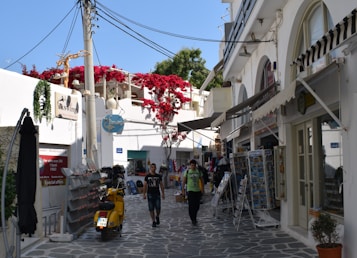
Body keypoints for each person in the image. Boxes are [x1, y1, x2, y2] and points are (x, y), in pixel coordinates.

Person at [182, 159, 204, 225]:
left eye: (194, 165)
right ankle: (193, 218)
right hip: (190, 190)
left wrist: (202, 188)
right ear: (190, 165)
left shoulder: (198, 172)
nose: (193, 167)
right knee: (191, 205)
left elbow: (202, 180)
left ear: (195, 165)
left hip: (197, 190)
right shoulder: (187, 172)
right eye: (192, 165)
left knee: (197, 205)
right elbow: (183, 181)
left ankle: (194, 216)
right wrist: (183, 190)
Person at [143, 163, 165, 227]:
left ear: (156, 168)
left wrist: (163, 193)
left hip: (157, 193)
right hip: (150, 193)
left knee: (158, 207)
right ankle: (153, 221)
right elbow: (145, 185)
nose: (153, 168)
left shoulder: (158, 176)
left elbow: (161, 185)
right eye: (152, 167)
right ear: (150, 168)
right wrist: (144, 194)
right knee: (151, 208)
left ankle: (157, 216)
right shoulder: (147, 176)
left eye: (154, 167)